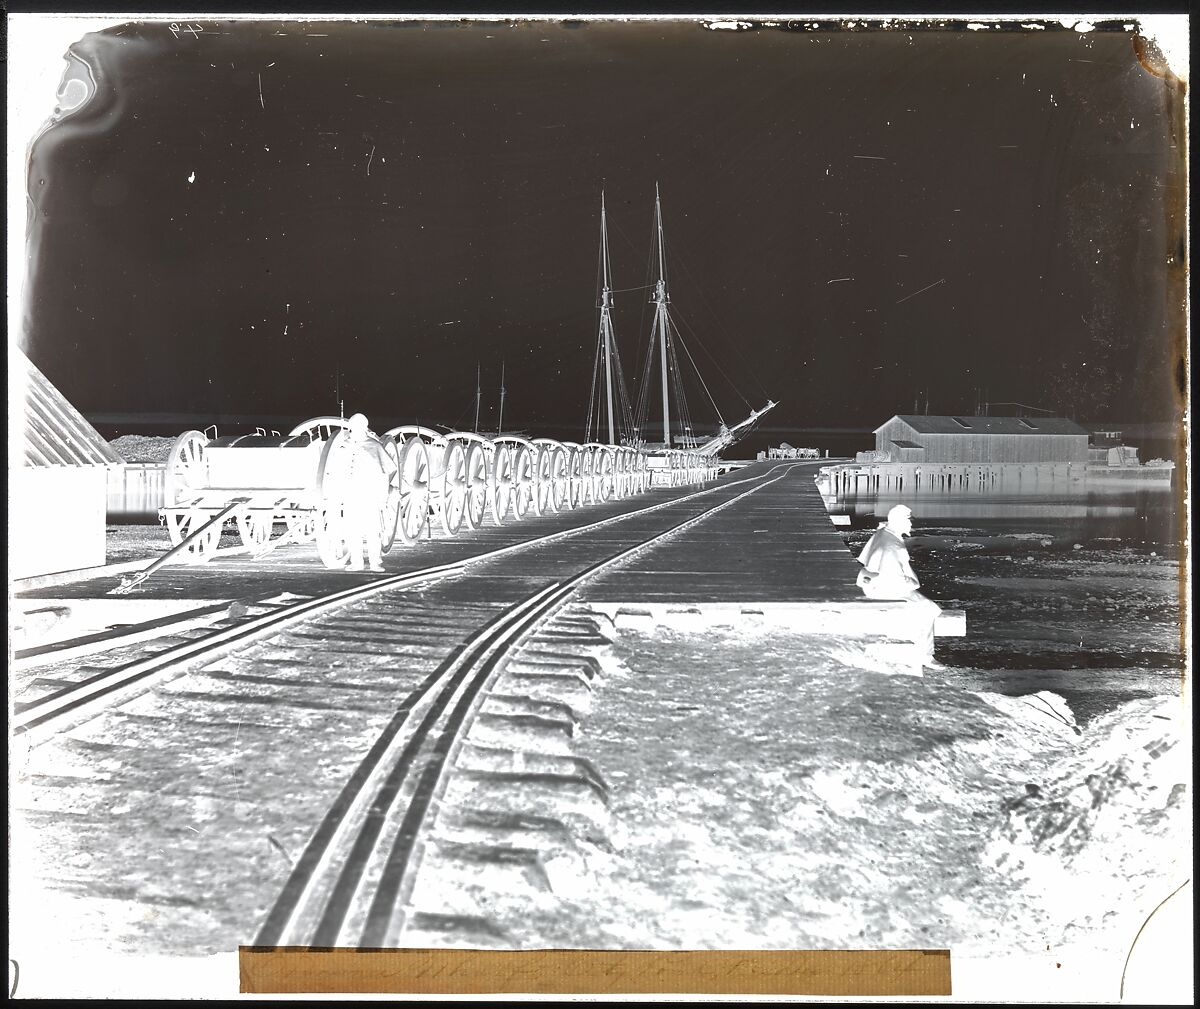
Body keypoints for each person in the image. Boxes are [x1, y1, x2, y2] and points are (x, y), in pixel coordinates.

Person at [856, 504, 942, 667]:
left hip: (872, 584)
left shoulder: (883, 532)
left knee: (923, 604)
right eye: (908, 521)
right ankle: (925, 655)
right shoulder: (893, 546)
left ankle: (922, 651)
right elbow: (895, 579)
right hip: (882, 589)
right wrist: (913, 582)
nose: (911, 525)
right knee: (928, 608)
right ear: (898, 522)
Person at [338, 413, 394, 572]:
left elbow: (385, 474)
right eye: (354, 425)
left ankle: (375, 562)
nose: (357, 428)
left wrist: (383, 497)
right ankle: (356, 562)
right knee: (352, 529)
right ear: (350, 427)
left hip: (370, 495)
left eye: (361, 425)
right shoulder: (342, 446)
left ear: (365, 427)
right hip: (350, 494)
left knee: (373, 529)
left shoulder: (375, 446)